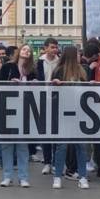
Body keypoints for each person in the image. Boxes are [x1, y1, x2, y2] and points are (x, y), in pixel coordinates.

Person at [49, 46, 92, 189]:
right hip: (63, 111)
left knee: (81, 146)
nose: (80, 57)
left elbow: (86, 91)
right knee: (62, 145)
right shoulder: (59, 71)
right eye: (78, 54)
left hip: (80, 111)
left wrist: (90, 86)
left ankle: (83, 176)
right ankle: (57, 176)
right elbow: (51, 93)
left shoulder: (82, 71)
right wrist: (55, 86)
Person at [0, 44, 38, 187]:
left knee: (22, 144)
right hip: (8, 107)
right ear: (19, 51)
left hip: (25, 108)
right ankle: (7, 175)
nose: (27, 51)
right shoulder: (8, 67)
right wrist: (9, 83)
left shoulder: (32, 70)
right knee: (7, 144)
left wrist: (35, 84)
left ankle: (23, 177)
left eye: (29, 50)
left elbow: (37, 88)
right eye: (25, 49)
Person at [35, 37, 60, 175]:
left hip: (56, 98)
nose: (54, 50)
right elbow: (38, 79)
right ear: (45, 48)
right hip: (44, 98)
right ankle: (47, 162)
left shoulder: (59, 61)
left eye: (55, 47)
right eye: (51, 47)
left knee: (56, 130)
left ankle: (56, 161)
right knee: (45, 131)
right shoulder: (40, 61)